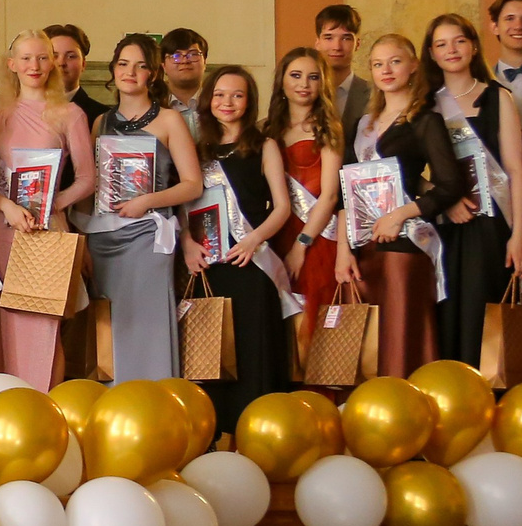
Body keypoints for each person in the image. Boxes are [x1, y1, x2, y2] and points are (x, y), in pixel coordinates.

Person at [335, 33, 469, 378]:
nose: (386, 70)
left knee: (399, 339)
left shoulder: (424, 120)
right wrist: (342, 250)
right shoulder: (362, 125)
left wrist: (401, 215)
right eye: (378, 64)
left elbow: (451, 183)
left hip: (406, 242)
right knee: (368, 344)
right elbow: (344, 190)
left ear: (412, 67)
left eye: (395, 61)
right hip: (363, 246)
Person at [77, 33, 202, 384]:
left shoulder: (169, 121)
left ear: (153, 74)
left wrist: (146, 201)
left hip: (148, 239)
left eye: (140, 65)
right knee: (111, 331)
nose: (130, 72)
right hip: (103, 241)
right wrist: (84, 239)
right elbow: (91, 186)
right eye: (123, 64)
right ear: (113, 70)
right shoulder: (100, 122)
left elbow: (192, 183)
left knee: (148, 327)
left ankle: (154, 409)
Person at [0, 29, 96, 391]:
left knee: (47, 327)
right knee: (7, 325)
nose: (35, 65)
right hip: (7, 230)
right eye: (27, 58)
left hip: (49, 232)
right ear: (12, 64)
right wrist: (7, 207)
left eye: (43, 57)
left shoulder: (70, 115)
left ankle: (46, 409)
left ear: (52, 64)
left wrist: (52, 205)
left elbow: (86, 179)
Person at [424, 12, 522, 368]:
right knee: (444, 313)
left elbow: (515, 169)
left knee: (482, 315)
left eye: (459, 40)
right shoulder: (423, 103)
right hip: (441, 227)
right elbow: (405, 170)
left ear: (472, 46)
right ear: (432, 53)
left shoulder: (497, 97)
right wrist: (445, 197)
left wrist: (519, 234)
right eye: (441, 44)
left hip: (491, 227)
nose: (451, 49)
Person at [192, 66, 293, 428]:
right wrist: (188, 247)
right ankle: (213, 431)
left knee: (252, 350)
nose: (227, 102)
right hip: (208, 265)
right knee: (210, 354)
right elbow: (183, 204)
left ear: (249, 101)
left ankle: (256, 431)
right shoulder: (196, 148)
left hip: (250, 262)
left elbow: (283, 206)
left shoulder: (264, 145)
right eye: (219, 94)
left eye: (237, 94)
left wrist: (254, 239)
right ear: (208, 100)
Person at [263, 47, 345, 361]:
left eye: (313, 77)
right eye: (295, 75)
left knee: (315, 314)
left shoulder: (328, 129)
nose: (304, 84)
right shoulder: (266, 129)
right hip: (276, 232)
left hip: (316, 237)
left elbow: (329, 196)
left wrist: (301, 245)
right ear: (281, 81)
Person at [316, 4, 371, 141]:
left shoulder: (374, 93)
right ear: (317, 43)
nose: (337, 47)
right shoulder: (305, 90)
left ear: (357, 44)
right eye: (329, 38)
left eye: (346, 38)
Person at [46, 24, 108, 126]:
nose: (61, 63)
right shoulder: (22, 111)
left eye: (71, 56)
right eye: (54, 56)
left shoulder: (102, 117)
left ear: (83, 64)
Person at [160, 28, 208, 117]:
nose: (185, 61)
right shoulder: (152, 103)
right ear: (163, 66)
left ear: (205, 62)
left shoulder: (218, 101)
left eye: (193, 54)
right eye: (176, 55)